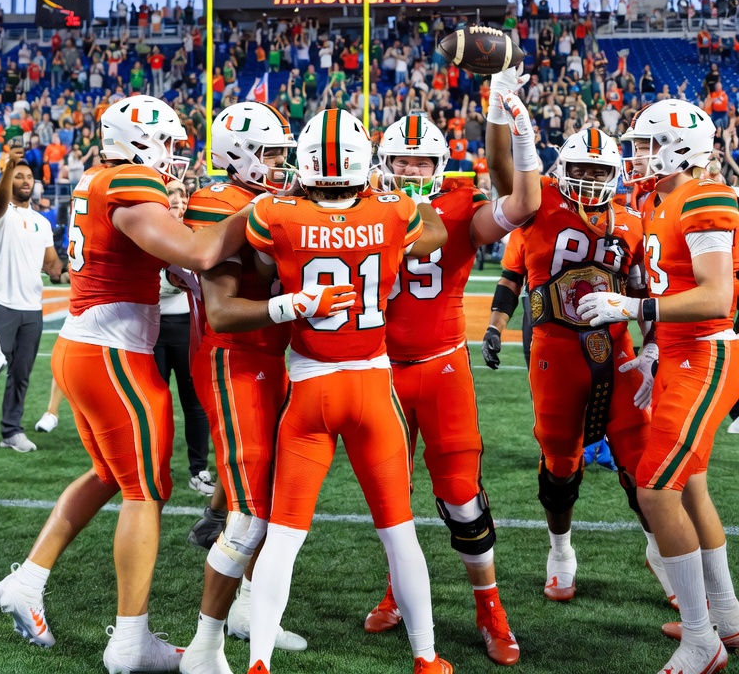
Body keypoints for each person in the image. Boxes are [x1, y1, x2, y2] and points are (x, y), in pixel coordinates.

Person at [0, 95, 250, 673]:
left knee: (113, 475)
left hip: (86, 346)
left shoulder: (99, 176)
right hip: (113, 355)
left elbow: (171, 261)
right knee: (145, 491)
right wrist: (260, 211)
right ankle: (131, 639)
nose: (177, 157)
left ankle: (27, 582)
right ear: (140, 142)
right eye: (171, 144)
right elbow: (202, 250)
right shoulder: (130, 181)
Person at [243, 108, 452, 674]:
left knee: (283, 537)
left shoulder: (273, 213)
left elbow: (263, 268)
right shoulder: (393, 212)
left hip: (309, 387)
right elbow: (430, 233)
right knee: (399, 534)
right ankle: (426, 656)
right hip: (370, 385)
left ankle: (259, 660)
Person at [364, 79, 540, 667]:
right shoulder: (359, 202)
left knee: (462, 499)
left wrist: (508, 126)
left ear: (440, 165)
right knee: (391, 497)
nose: (411, 168)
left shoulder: (460, 205)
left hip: (440, 369)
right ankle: (398, 591)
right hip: (379, 371)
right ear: (381, 164)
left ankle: (491, 610)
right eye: (400, 159)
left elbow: (518, 206)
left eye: (421, 159)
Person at [481, 128, 674, 608]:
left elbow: (643, 292)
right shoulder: (538, 202)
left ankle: (661, 554)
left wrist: (652, 349)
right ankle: (561, 552)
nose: (589, 179)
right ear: (561, 169)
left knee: (641, 459)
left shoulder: (631, 220)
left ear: (615, 175)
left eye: (599, 170)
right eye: (581, 169)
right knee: (561, 464)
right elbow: (510, 272)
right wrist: (494, 324)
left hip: (618, 348)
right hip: (555, 350)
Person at [579, 100, 739, 674]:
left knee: (654, 491)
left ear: (681, 149)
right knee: (691, 485)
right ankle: (727, 614)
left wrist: (633, 306)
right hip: (672, 352)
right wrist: (649, 346)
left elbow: (717, 296)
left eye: (647, 145)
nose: (637, 156)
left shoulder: (705, 197)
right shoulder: (653, 199)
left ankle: (703, 640)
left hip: (705, 351)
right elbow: (665, 276)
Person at [180, 102, 307, 674]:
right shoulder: (217, 202)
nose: (282, 164)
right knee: (251, 512)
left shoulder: (264, 199)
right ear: (238, 154)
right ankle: (204, 645)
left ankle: (252, 613)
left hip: (270, 359)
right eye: (272, 153)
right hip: (230, 359)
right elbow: (225, 312)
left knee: (275, 501)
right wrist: (292, 303)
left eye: (284, 152)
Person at [0, 146, 66, 452]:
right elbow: (1, 198)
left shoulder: (42, 222)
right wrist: (8, 167)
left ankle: (11, 431)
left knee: (21, 374)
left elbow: (51, 265)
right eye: (18, 176)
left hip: (31, 308)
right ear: (8, 179)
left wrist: (71, 270)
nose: (25, 180)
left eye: (28, 176)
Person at [154, 182, 214, 497]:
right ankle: (153, 466)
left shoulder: (192, 235)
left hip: (187, 326)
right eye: (170, 200)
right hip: (152, 326)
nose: (176, 204)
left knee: (194, 403)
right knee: (155, 402)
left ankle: (198, 469)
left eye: (179, 200)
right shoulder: (149, 231)